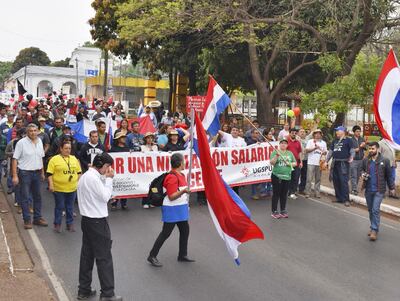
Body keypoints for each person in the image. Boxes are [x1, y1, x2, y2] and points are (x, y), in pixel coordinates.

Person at [77, 153, 123, 301]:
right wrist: (109, 180)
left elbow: (97, 188)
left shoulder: (86, 176)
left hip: (87, 220)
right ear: (102, 165)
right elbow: (105, 196)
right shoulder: (93, 178)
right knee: (104, 258)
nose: (108, 170)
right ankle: (108, 293)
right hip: (97, 221)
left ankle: (83, 290)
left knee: (87, 256)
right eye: (108, 166)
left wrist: (105, 179)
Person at [147, 153, 194, 267]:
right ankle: (152, 255)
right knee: (165, 233)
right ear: (179, 163)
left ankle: (182, 254)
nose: (184, 163)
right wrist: (183, 191)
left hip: (180, 208)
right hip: (172, 209)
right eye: (183, 161)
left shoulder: (181, 175)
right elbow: (172, 196)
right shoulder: (172, 177)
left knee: (185, 230)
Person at [12, 123, 48, 229]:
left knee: (38, 197)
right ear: (27, 132)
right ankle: (27, 220)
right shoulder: (21, 143)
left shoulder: (40, 141)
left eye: (34, 130)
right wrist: (15, 175)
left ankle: (37, 218)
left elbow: (41, 157)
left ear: (37, 131)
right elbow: (15, 159)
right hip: (25, 174)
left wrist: (42, 172)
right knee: (25, 198)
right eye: (30, 131)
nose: (33, 132)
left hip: (37, 173)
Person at [361, 142, 395, 241]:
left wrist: (392, 188)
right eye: (369, 149)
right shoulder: (366, 160)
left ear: (377, 149)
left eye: (373, 148)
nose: (371, 150)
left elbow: (389, 176)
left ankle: (374, 230)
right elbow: (361, 170)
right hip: (368, 189)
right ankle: (373, 227)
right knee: (370, 210)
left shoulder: (384, 161)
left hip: (379, 190)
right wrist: (363, 174)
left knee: (375, 210)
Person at [47, 141, 82, 233]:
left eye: (69, 148)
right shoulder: (54, 159)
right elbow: (49, 174)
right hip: (59, 188)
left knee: (70, 207)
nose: (68, 150)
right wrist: (51, 184)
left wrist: (78, 182)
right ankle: (57, 224)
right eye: (66, 148)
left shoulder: (74, 159)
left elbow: (79, 172)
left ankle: (69, 224)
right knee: (60, 206)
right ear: (61, 149)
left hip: (72, 188)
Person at [325, 126, 355, 207]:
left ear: (343, 131)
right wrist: (326, 161)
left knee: (343, 181)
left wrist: (352, 157)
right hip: (335, 163)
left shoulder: (348, 140)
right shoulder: (335, 141)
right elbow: (331, 152)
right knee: (336, 180)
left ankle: (346, 199)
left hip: (343, 163)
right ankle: (339, 198)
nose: (336, 132)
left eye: (338, 131)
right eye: (336, 131)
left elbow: (352, 150)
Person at [270, 139, 297, 219]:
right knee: (276, 194)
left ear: (287, 145)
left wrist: (289, 164)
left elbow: (295, 163)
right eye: (282, 143)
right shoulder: (275, 152)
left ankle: (283, 210)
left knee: (284, 194)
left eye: (285, 143)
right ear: (279, 144)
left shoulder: (290, 153)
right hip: (277, 176)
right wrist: (276, 156)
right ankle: (274, 211)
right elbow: (272, 162)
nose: (283, 144)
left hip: (287, 177)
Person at [109, 132, 130, 211]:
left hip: (125, 170)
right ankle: (114, 203)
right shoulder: (113, 149)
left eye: (124, 137)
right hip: (116, 171)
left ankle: (124, 203)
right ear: (118, 139)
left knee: (124, 186)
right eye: (122, 137)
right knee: (116, 186)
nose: (124, 139)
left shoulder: (127, 147)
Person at [304, 129, 327, 198]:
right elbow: (306, 150)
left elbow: (325, 152)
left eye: (319, 133)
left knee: (318, 179)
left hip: (319, 163)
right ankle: (307, 192)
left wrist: (324, 152)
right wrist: (314, 148)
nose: (317, 135)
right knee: (309, 179)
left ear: (321, 135)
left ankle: (317, 193)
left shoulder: (323, 143)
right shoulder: (310, 141)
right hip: (311, 162)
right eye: (316, 133)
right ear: (314, 135)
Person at [350, 125, 367, 195]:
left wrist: (364, 145)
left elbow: (365, 148)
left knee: (357, 175)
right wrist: (355, 149)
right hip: (353, 160)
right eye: (357, 131)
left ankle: (354, 188)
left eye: (359, 131)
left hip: (361, 160)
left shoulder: (361, 139)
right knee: (353, 175)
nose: (358, 133)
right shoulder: (350, 140)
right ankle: (354, 189)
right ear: (354, 132)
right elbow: (349, 150)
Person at [286, 128, 303, 199]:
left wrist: (301, 162)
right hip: (288, 163)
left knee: (296, 178)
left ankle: (293, 192)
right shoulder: (286, 141)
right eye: (292, 132)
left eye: (295, 133)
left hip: (297, 162)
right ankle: (288, 191)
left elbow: (300, 152)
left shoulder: (298, 142)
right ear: (289, 133)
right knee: (289, 178)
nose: (294, 134)